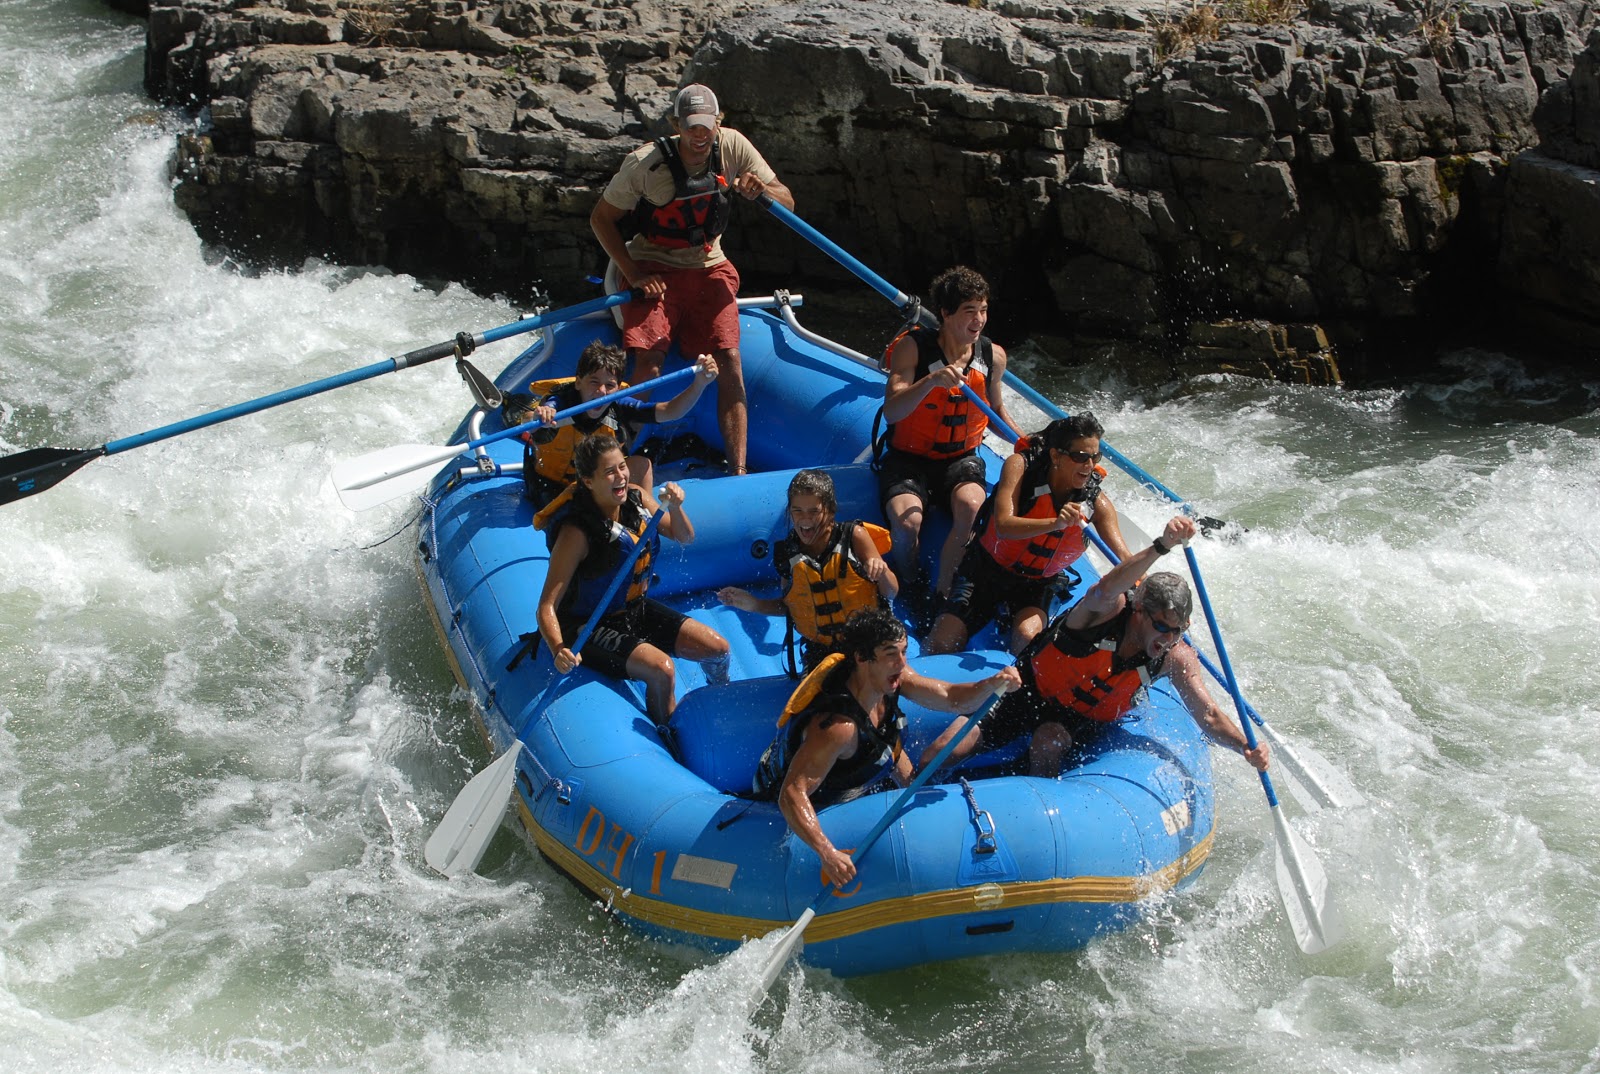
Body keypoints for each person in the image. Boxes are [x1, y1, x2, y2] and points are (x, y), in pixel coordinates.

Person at [921, 515, 1270, 779]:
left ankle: (1028, 802)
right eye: (1160, 625)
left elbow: (1207, 713)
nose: (1166, 637)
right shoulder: (1106, 611)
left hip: (1077, 719)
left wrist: (1245, 747)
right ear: (1139, 611)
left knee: (1048, 740)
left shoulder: (1175, 656)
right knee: (946, 746)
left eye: (1177, 630)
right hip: (1027, 691)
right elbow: (1105, 588)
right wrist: (1161, 546)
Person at [589, 83, 795, 478]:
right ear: (676, 126)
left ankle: (737, 471)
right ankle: (614, 461)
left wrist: (762, 190)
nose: (701, 137)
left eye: (708, 127)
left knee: (730, 359)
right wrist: (634, 274)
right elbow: (601, 219)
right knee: (648, 362)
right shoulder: (644, 164)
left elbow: (787, 200)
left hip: (708, 265)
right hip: (655, 265)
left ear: (718, 123)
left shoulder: (733, 147)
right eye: (692, 128)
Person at [751, 608, 1021, 887]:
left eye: (904, 651)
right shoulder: (837, 728)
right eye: (891, 653)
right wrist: (827, 853)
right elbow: (792, 794)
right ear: (861, 658)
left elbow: (952, 698)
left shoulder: (892, 680)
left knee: (889, 744)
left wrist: (992, 684)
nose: (902, 663)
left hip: (864, 763)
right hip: (803, 798)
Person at [535, 433, 730, 724]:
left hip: (632, 611)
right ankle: (669, 732)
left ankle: (720, 698)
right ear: (589, 481)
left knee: (718, 649)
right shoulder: (576, 533)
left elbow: (685, 537)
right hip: (588, 625)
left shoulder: (637, 497)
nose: (621, 477)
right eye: (610, 471)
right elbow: (547, 606)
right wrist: (558, 649)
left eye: (622, 466)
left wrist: (675, 508)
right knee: (662, 669)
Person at [924, 413, 1132, 655]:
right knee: (941, 644)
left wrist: (1153, 579)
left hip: (1037, 584)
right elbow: (1003, 525)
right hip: (986, 570)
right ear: (1056, 455)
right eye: (1080, 457)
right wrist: (1055, 523)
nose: (1089, 466)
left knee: (1026, 637)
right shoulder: (1019, 466)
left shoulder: (1097, 503)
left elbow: (1125, 558)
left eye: (1095, 457)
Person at [879, 265, 1022, 608]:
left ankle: (942, 590)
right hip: (909, 459)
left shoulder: (993, 356)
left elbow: (995, 414)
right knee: (907, 522)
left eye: (984, 310)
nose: (979, 320)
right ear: (945, 313)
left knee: (973, 506)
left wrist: (1025, 444)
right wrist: (929, 382)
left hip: (960, 459)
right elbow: (892, 411)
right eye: (969, 311)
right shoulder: (913, 348)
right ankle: (910, 579)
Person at [716, 469, 898, 673]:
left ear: (830, 510)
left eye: (814, 511)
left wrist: (882, 571)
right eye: (798, 511)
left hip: (869, 643)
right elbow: (792, 608)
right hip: (821, 651)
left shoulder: (854, 536)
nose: (805, 519)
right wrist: (755, 604)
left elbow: (891, 592)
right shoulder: (787, 554)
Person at [515, 341, 720, 506]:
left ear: (617, 388)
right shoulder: (560, 402)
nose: (601, 392)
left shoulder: (619, 404)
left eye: (609, 385)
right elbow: (529, 423)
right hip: (550, 489)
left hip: (595, 488)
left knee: (641, 464)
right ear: (579, 382)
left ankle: (643, 526)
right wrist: (538, 417)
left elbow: (670, 411)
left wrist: (699, 383)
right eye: (594, 382)